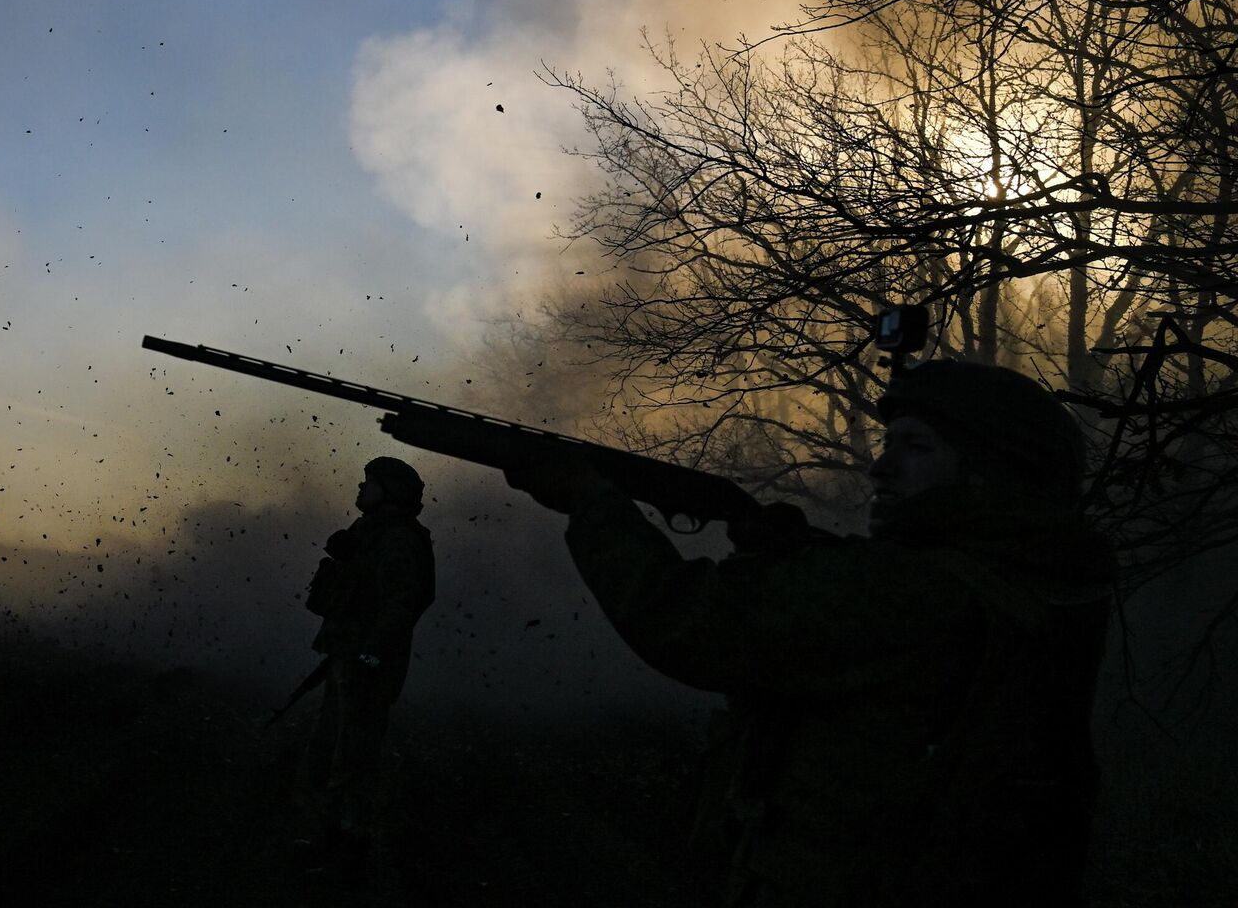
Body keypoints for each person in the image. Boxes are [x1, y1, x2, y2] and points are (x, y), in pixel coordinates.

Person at [506, 361, 1114, 907]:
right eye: (888, 443)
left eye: (917, 447)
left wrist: (591, 501)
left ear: (990, 470)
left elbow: (686, 620)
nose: (881, 467)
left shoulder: (913, 591)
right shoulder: (1036, 578)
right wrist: (799, 557)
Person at [297, 455, 436, 883]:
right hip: (349, 658)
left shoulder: (397, 539)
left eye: (369, 482)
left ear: (389, 492)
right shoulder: (370, 533)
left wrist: (370, 657)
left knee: (353, 761)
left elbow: (401, 605)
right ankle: (331, 840)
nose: (360, 488)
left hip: (367, 667)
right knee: (329, 753)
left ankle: (350, 848)